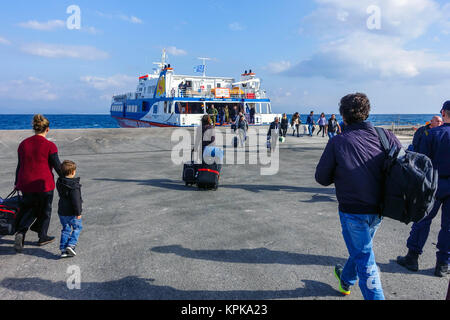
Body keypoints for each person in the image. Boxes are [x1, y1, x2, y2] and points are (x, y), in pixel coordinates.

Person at [315, 93, 402, 300]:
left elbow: (321, 178)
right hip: (380, 208)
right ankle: (345, 280)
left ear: (343, 116)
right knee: (361, 250)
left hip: (353, 210)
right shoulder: (385, 136)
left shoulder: (339, 141)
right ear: (367, 113)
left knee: (365, 258)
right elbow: (401, 167)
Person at [397, 101, 450, 278]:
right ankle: (443, 264)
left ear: (443, 113)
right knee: (448, 227)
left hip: (433, 182)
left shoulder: (433, 134)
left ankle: (413, 257)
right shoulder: (434, 133)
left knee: (422, 219)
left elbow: (421, 161)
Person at [14, 114, 63, 252]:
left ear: (34, 128)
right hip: (44, 184)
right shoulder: (50, 145)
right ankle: (42, 237)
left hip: (25, 182)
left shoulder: (23, 144)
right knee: (45, 210)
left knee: (29, 208)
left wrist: (16, 182)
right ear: (47, 129)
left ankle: (21, 233)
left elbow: (20, 165)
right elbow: (57, 166)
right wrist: (66, 180)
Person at [56, 160, 83, 259]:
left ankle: (63, 250)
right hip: (72, 212)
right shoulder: (74, 186)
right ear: (73, 172)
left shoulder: (60, 182)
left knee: (66, 229)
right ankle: (71, 245)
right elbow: (76, 201)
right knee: (77, 228)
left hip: (62, 211)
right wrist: (78, 212)